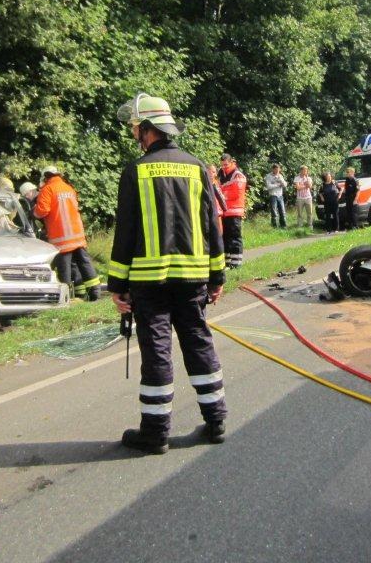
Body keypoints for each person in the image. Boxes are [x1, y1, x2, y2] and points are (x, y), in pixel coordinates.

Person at [108, 93, 227, 454]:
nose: (133, 135)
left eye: (135, 129)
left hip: (149, 282)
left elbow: (125, 231)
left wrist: (118, 285)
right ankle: (216, 420)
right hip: (193, 279)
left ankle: (155, 433)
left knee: (157, 351)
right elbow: (212, 226)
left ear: (147, 130)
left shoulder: (136, 171)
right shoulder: (196, 167)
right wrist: (217, 276)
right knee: (199, 342)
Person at [33, 165, 101, 300]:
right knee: (84, 263)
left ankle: (67, 297)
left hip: (61, 237)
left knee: (64, 268)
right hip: (77, 235)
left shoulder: (47, 189)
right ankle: (94, 293)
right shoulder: (68, 187)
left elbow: (42, 211)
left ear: (46, 177)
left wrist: (33, 212)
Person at [217, 154, 247, 268]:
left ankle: (236, 263)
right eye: (222, 165)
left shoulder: (237, 175)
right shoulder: (222, 174)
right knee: (226, 237)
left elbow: (236, 193)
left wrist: (222, 195)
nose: (224, 167)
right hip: (225, 212)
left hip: (235, 211)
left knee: (235, 237)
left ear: (232, 162)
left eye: (226, 164)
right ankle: (228, 261)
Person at [264, 163, 288, 228]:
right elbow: (268, 186)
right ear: (273, 169)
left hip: (280, 195)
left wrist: (281, 181)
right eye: (276, 170)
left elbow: (285, 185)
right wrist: (278, 185)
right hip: (273, 195)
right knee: (274, 212)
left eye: (278, 170)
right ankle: (274, 227)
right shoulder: (268, 176)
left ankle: (283, 226)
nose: (277, 171)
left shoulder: (280, 176)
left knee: (282, 211)